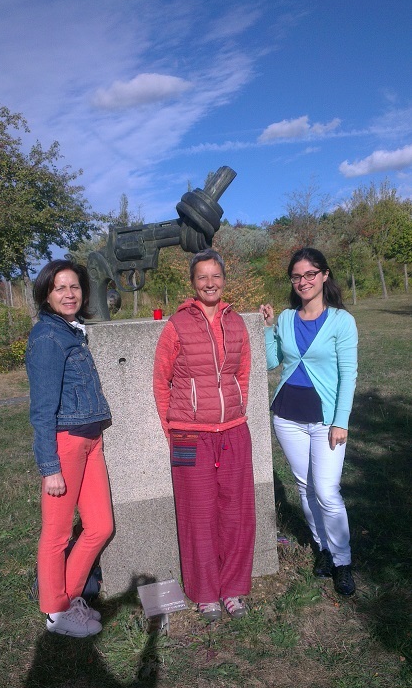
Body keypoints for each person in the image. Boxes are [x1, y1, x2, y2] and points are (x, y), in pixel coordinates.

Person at [153, 248, 256, 621]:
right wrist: (172, 431)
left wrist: (236, 409)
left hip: (234, 431)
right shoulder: (176, 325)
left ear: (223, 279)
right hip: (187, 436)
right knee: (196, 514)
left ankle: (232, 590)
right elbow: (161, 381)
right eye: (202, 277)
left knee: (236, 514)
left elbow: (242, 373)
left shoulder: (237, 323)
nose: (210, 283)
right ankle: (205, 593)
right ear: (193, 282)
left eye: (216, 276)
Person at [260, 247, 358, 596]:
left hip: (325, 420)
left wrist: (341, 421)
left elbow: (348, 375)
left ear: (324, 275)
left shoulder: (341, 321)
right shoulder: (287, 318)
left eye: (310, 274)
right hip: (287, 416)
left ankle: (343, 561)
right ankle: (324, 549)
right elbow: (272, 362)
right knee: (305, 488)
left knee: (327, 491)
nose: (303, 281)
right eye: (296, 276)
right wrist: (269, 329)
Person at [26, 259, 114, 637]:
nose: (69, 294)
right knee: (57, 533)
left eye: (74, 286)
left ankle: (66, 599)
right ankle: (55, 613)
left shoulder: (71, 331)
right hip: (66, 444)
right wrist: (50, 467)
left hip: (91, 440)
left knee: (100, 526)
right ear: (46, 294)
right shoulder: (48, 337)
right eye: (59, 287)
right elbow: (42, 409)